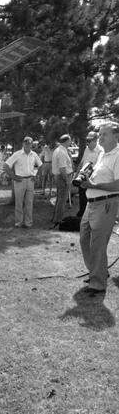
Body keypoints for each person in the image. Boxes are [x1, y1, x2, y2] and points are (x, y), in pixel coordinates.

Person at [79, 121, 119, 296]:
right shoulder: (103, 153)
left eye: (104, 134)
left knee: (97, 244)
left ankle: (97, 283)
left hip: (106, 203)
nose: (100, 137)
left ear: (116, 136)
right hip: (92, 203)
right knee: (84, 239)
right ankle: (97, 271)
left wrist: (93, 184)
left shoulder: (118, 154)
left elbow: (118, 184)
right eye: (99, 134)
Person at [3, 136, 42, 228]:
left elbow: (40, 165)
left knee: (29, 203)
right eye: (26, 143)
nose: (27, 144)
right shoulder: (17, 154)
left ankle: (28, 223)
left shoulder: (34, 154)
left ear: (32, 144)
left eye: (29, 143)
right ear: (23, 143)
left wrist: (36, 175)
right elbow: (6, 166)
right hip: (19, 181)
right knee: (19, 203)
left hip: (30, 181)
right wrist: (14, 177)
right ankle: (18, 223)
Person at [74, 131, 104, 217]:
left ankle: (89, 215)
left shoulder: (100, 151)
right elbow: (81, 163)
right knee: (82, 196)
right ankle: (81, 213)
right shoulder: (87, 149)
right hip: (81, 177)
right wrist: (76, 176)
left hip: (91, 178)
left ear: (95, 140)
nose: (87, 143)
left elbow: (99, 167)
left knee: (90, 198)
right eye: (86, 140)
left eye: (89, 141)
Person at [51, 134, 74, 228]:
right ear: (66, 141)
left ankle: (55, 218)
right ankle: (58, 220)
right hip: (62, 177)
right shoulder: (61, 152)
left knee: (59, 198)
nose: (71, 142)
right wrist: (67, 180)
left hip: (60, 176)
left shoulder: (60, 150)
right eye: (70, 140)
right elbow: (62, 168)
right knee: (62, 199)